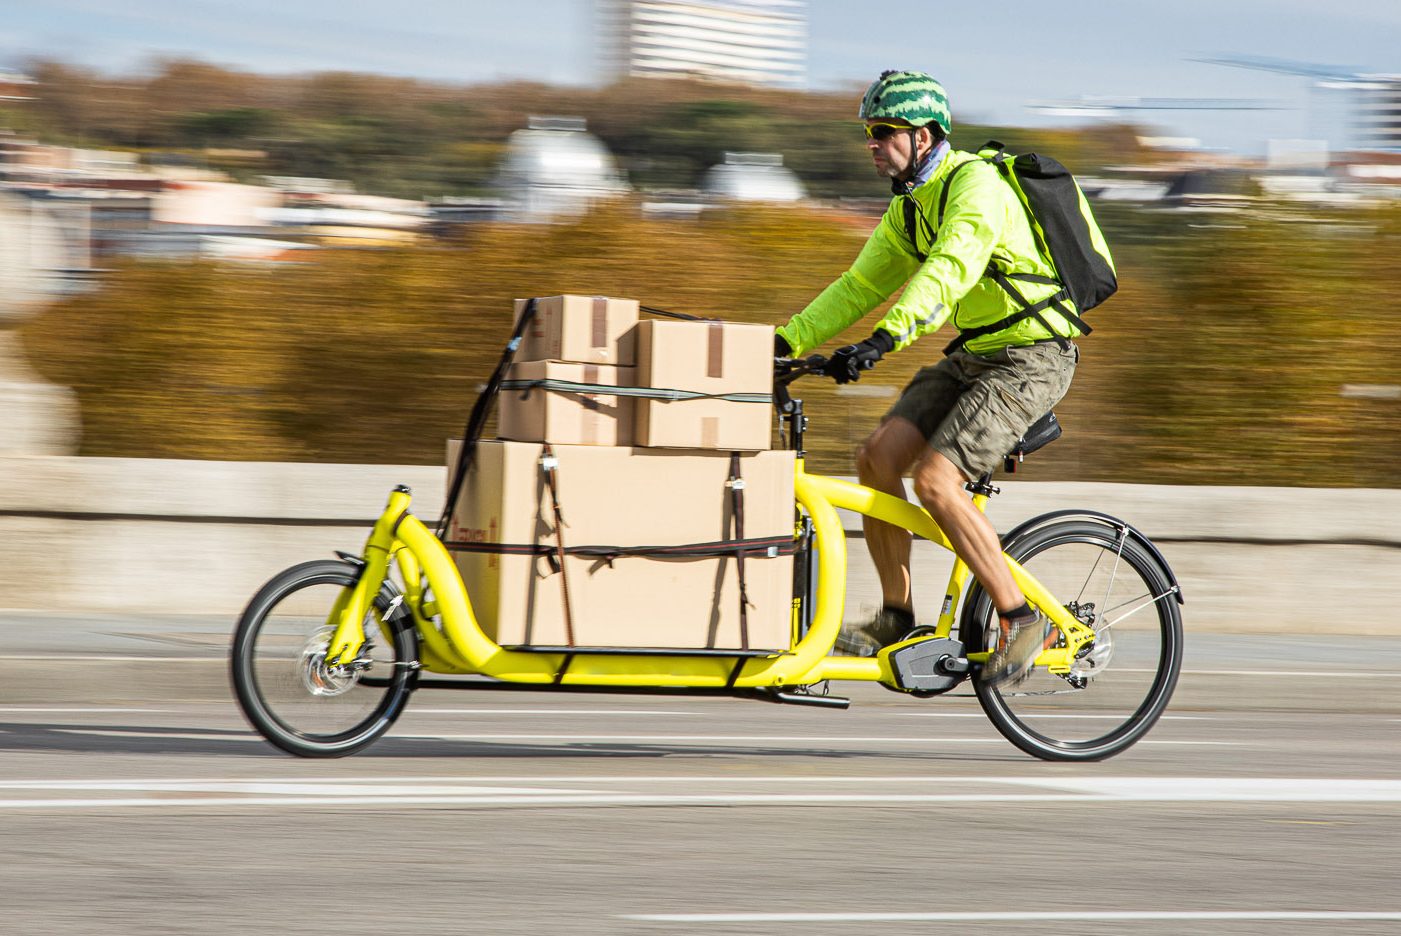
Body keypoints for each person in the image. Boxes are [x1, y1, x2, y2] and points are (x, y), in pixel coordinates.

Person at [774, 70, 1084, 686]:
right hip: (977, 354)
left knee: (938, 482)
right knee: (875, 458)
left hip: (1034, 356)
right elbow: (859, 286)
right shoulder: (909, 209)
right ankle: (897, 617)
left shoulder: (976, 185)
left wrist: (885, 339)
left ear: (924, 136)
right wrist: (786, 342)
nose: (872, 143)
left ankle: (1021, 619)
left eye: (883, 131)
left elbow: (950, 270)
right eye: (868, 132)